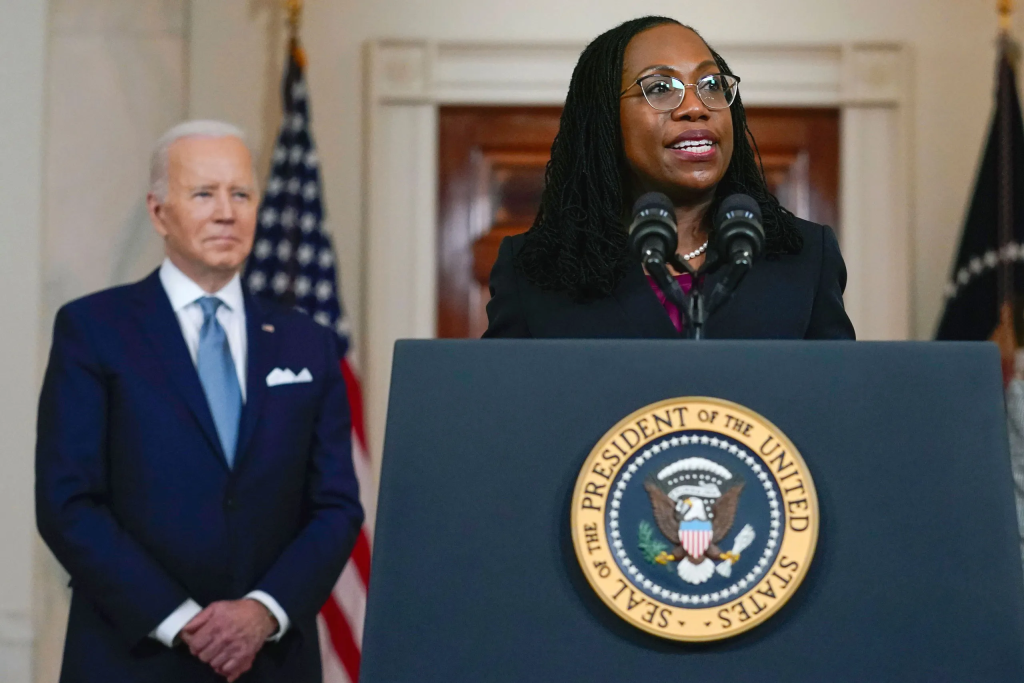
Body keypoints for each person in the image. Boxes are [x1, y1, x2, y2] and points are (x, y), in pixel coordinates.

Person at [35, 120, 364, 683]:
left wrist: (263, 611)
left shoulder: (307, 342)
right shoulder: (93, 330)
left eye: (241, 194)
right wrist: (184, 621)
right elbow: (68, 503)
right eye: (204, 194)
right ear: (158, 211)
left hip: (271, 661)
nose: (226, 213)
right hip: (133, 657)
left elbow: (336, 506)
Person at [484, 16, 855, 340]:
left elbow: (836, 392)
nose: (696, 107)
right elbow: (503, 395)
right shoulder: (532, 271)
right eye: (660, 88)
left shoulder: (806, 257)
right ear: (605, 119)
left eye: (712, 84)